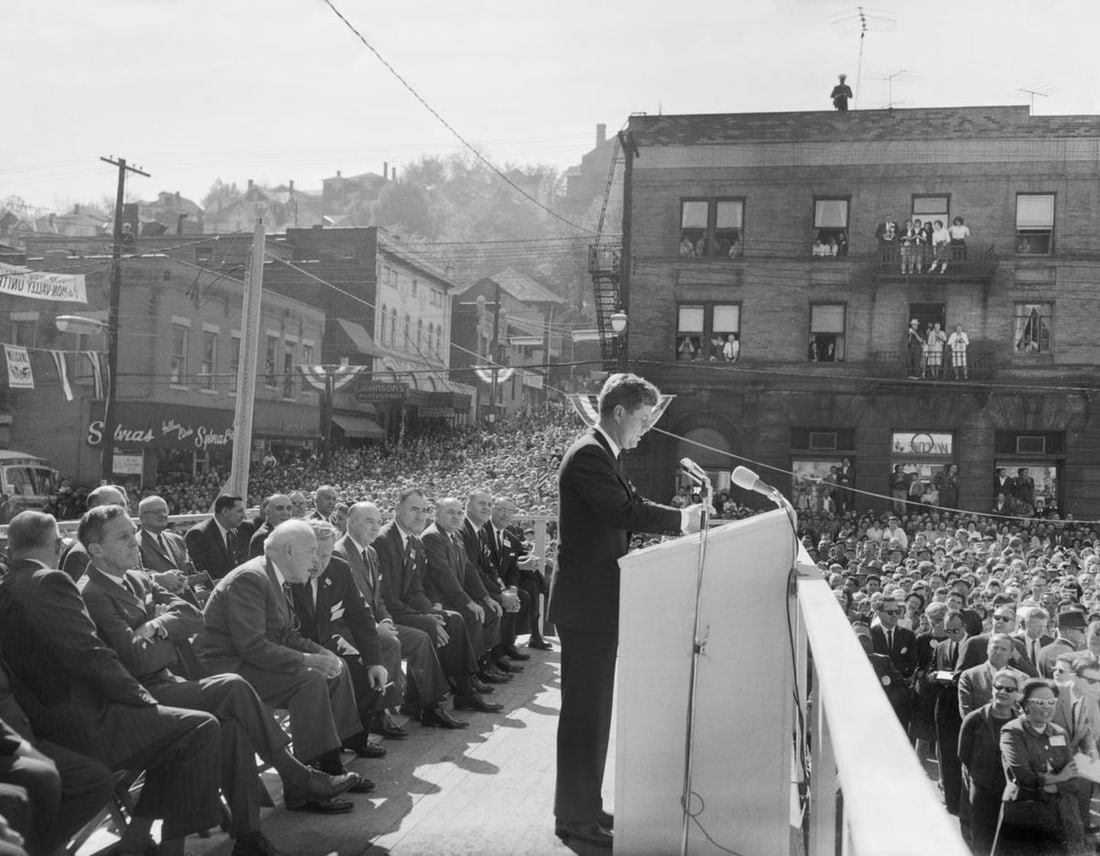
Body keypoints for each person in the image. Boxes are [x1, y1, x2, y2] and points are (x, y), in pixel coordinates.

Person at [77, 505, 361, 842]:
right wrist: (168, 632)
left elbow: (192, 615)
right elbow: (139, 661)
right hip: (141, 696)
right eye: (123, 536)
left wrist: (155, 624)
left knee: (234, 728)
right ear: (96, 549)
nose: (134, 541)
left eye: (132, 532)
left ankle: (249, 836)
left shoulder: (137, 578)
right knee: (237, 687)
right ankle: (298, 775)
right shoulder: (92, 593)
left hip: (172, 681)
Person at [0, 511, 222, 856]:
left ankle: (140, 838)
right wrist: (142, 698)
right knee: (198, 728)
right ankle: (167, 845)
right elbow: (91, 654)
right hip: (85, 721)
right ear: (59, 544)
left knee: (179, 734)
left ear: (10, 549)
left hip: (45, 719)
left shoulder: (7, 587)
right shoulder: (50, 582)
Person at [548, 373, 703, 848]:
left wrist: (677, 517)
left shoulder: (604, 453)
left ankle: (586, 807)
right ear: (618, 413)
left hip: (596, 604)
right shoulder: (590, 454)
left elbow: (629, 505)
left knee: (593, 714)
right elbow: (622, 512)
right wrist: (681, 521)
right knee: (584, 716)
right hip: (587, 606)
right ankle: (575, 817)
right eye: (641, 419)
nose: (645, 430)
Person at [193, 520, 369, 787]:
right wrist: (308, 660)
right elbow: (252, 646)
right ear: (288, 551)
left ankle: (331, 761)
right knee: (309, 679)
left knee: (334, 667)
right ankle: (306, 781)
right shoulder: (251, 578)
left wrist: (321, 653)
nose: (316, 560)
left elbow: (285, 634)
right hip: (226, 669)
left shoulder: (275, 576)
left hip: (249, 662)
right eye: (311, 551)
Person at [373, 489, 498, 722]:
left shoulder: (412, 540)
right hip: (387, 614)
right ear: (398, 509)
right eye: (414, 509)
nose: (420, 516)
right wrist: (426, 616)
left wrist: (432, 609)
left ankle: (464, 690)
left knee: (454, 619)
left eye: (424, 510)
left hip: (403, 608)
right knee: (431, 626)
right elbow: (387, 596)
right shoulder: (383, 540)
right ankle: (429, 705)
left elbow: (415, 589)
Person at [291, 520, 392, 759]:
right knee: (337, 672)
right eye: (313, 554)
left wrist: (374, 661)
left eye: (325, 555)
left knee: (365, 669)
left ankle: (354, 738)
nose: (318, 562)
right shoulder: (289, 572)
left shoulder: (339, 568)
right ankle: (325, 754)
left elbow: (361, 616)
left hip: (325, 640)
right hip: (295, 646)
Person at [999, 679, 1090, 855]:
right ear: (1024, 705)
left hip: (1062, 813)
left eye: (1051, 702)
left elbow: (1072, 778)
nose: (1046, 707)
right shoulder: (1012, 732)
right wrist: (1059, 777)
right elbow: (1024, 778)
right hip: (1026, 812)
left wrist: (1053, 784)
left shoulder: (1059, 732)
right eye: (1039, 702)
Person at [958, 668, 1021, 856]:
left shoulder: (1021, 722)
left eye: (1009, 689)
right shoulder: (974, 719)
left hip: (1010, 791)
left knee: (1007, 840)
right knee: (981, 839)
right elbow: (964, 754)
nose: (1003, 692)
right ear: (992, 689)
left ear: (1018, 694)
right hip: (982, 789)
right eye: (998, 687)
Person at [185, 494, 248, 581]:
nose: (244, 516)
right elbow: (199, 575)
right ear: (225, 511)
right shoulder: (198, 534)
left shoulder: (233, 533)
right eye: (240, 511)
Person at [248, 494, 294, 558]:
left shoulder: (288, 533)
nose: (285, 512)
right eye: (280, 508)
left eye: (289, 508)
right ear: (268, 512)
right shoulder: (263, 537)